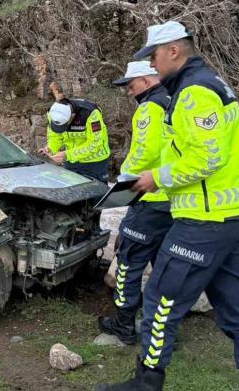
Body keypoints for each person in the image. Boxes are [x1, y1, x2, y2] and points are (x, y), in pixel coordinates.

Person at [96, 21, 239, 391]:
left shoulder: (194, 93)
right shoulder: (211, 83)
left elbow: (208, 157)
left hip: (204, 220)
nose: (152, 64)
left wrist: (156, 179)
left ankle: (147, 383)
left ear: (173, 50)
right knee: (236, 304)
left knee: (160, 300)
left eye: (154, 56)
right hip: (233, 216)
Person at [98, 61, 173, 345]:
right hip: (174, 201)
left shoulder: (150, 107)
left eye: (131, 85)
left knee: (128, 262)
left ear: (146, 80)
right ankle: (162, 331)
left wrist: (123, 177)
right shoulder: (175, 100)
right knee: (164, 269)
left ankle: (123, 325)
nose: (129, 92)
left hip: (148, 199)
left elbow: (145, 152)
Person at [43, 97, 110, 182]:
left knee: (97, 190)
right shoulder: (53, 113)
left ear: (72, 116)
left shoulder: (91, 113)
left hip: (95, 162)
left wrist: (67, 155)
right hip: (72, 161)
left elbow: (95, 143)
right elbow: (55, 136)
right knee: (71, 188)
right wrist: (50, 148)